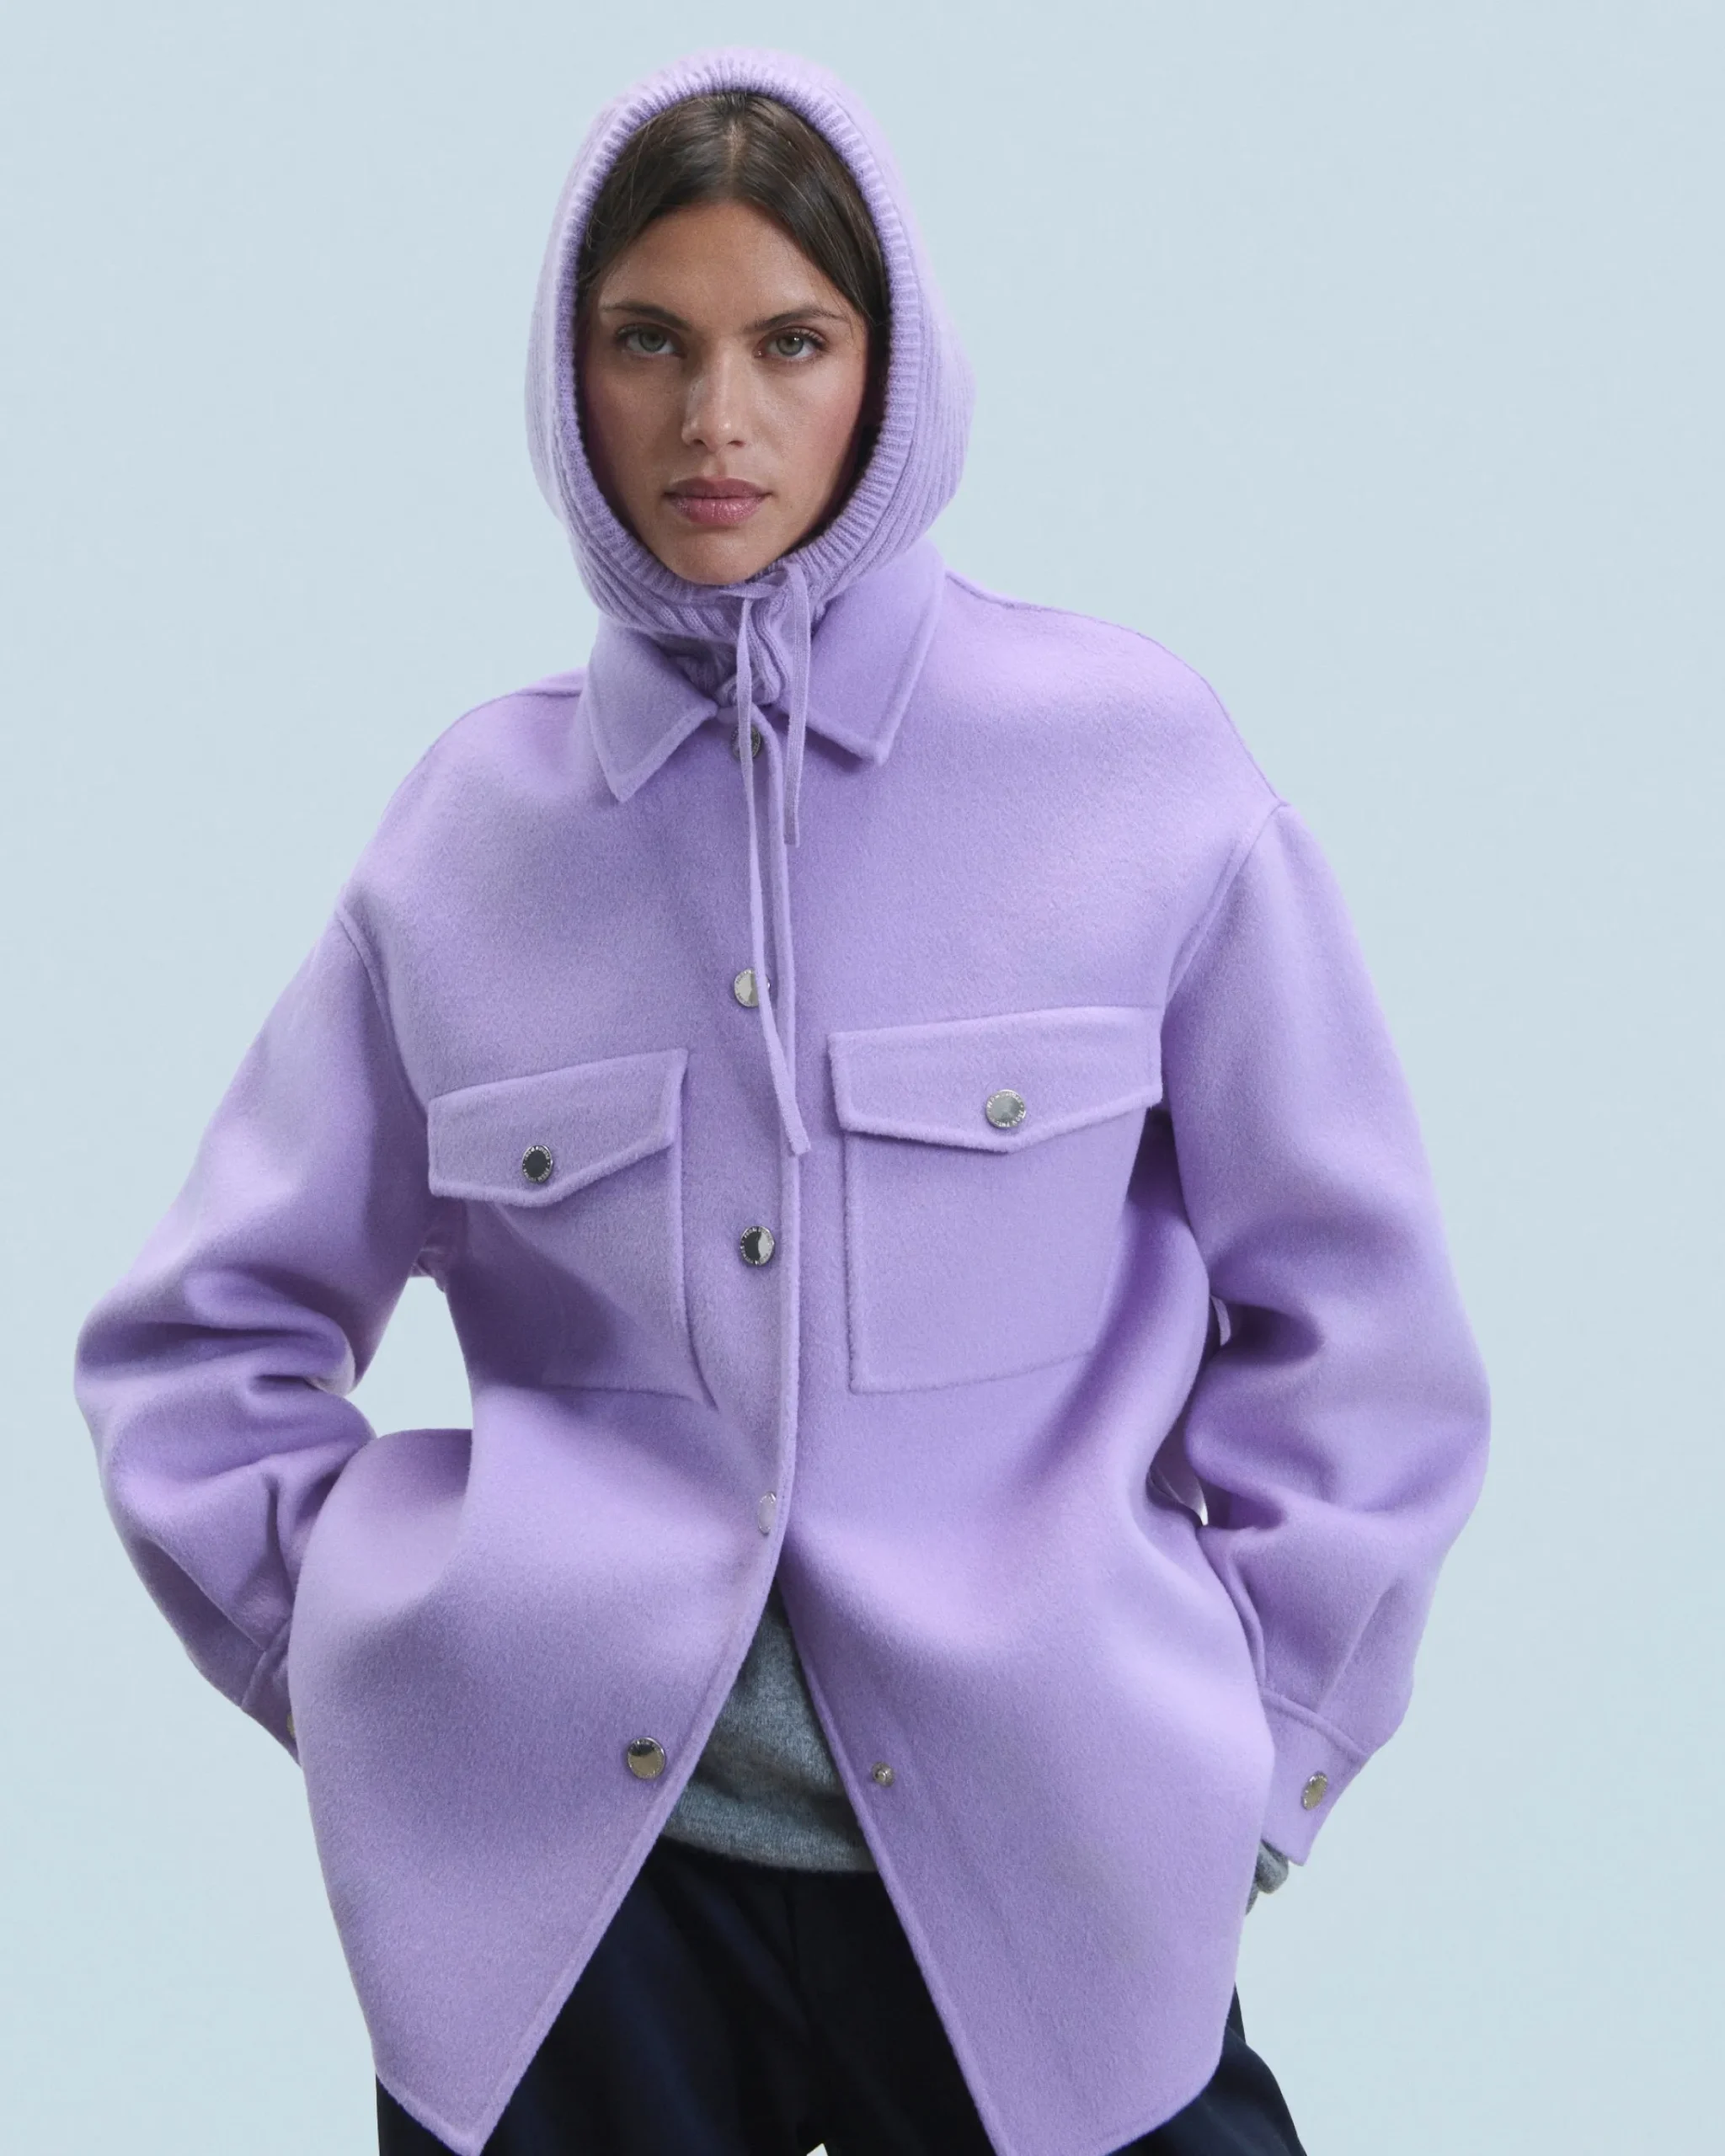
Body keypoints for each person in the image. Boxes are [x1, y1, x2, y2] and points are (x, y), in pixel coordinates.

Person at [73, 46, 1490, 2156]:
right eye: (647, 340)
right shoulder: (468, 841)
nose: (712, 420)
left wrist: (1258, 1756)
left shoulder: (1135, 770)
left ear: (886, 368)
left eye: (789, 342)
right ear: (569, 374)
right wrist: (386, 1701)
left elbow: (1361, 1329)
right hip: (576, 1930)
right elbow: (197, 1351)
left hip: (1054, 1871)